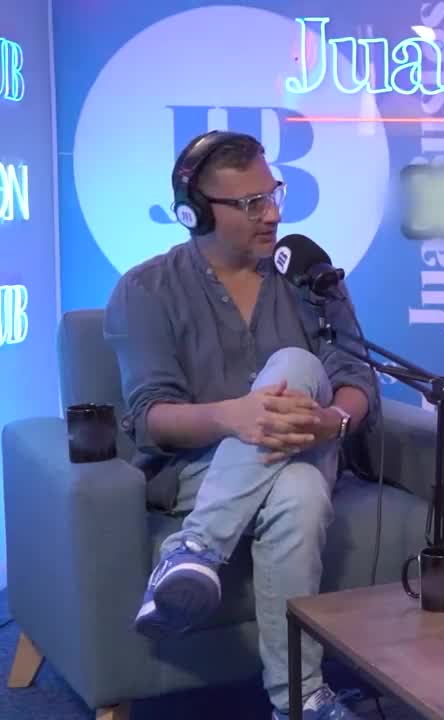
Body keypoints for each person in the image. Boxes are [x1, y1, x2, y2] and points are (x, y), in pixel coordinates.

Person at [104, 130, 379, 720]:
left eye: (272, 194)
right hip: (197, 469)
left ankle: (195, 550)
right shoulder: (145, 290)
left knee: (297, 364)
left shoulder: (309, 277)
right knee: (299, 491)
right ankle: (300, 701)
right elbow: (150, 418)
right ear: (196, 213)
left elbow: (356, 375)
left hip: (311, 444)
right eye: (251, 203)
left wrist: (333, 421)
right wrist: (232, 417)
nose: (272, 214)